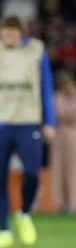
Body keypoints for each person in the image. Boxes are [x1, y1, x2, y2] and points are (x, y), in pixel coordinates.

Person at [0, 16, 55, 248]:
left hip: (28, 121)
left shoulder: (36, 50)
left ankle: (24, 212)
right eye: (5, 33)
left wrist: (49, 122)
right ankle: (3, 230)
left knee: (33, 173)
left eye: (13, 33)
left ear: (21, 33)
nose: (9, 38)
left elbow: (46, 87)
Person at [49, 70, 76, 214]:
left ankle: (73, 202)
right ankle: (59, 203)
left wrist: (71, 96)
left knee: (73, 168)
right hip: (58, 134)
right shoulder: (55, 97)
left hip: (73, 133)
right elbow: (56, 114)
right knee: (58, 168)